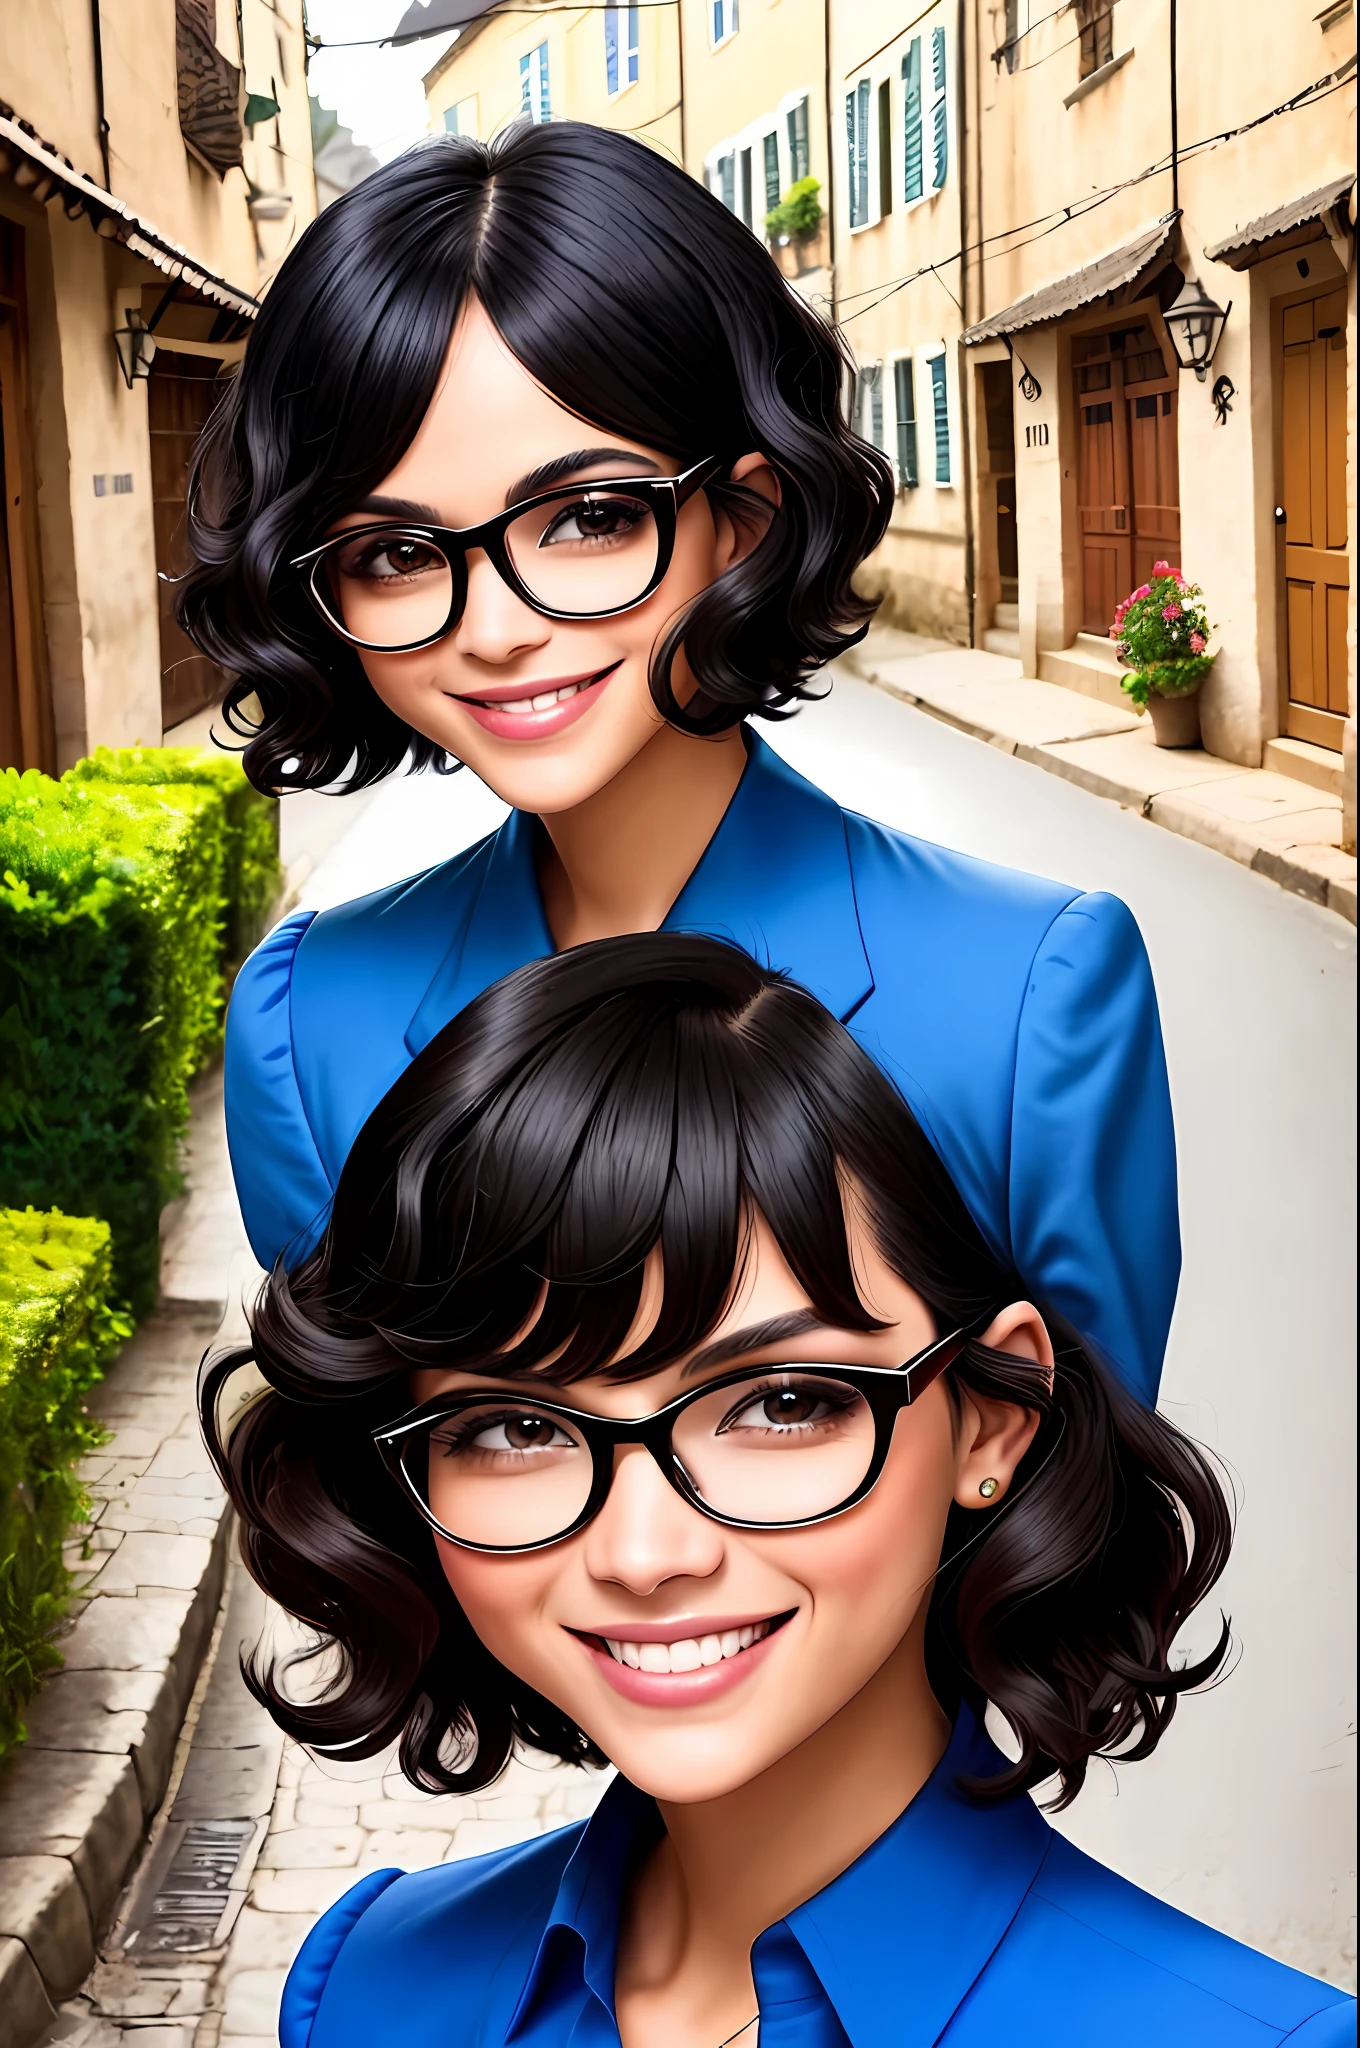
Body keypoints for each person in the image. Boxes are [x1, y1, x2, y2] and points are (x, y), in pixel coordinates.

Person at [181, 120, 1177, 1411]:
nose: (493, 628)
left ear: (742, 518)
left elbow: (1089, 1546)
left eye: (590, 517)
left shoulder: (1025, 1005)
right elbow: (361, 1528)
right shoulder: (309, 1026)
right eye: (396, 553)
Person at [202, 936, 1352, 2048]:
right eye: (515, 1425)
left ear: (992, 1417)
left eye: (782, 1402)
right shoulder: (367, 1985)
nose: (644, 1552)